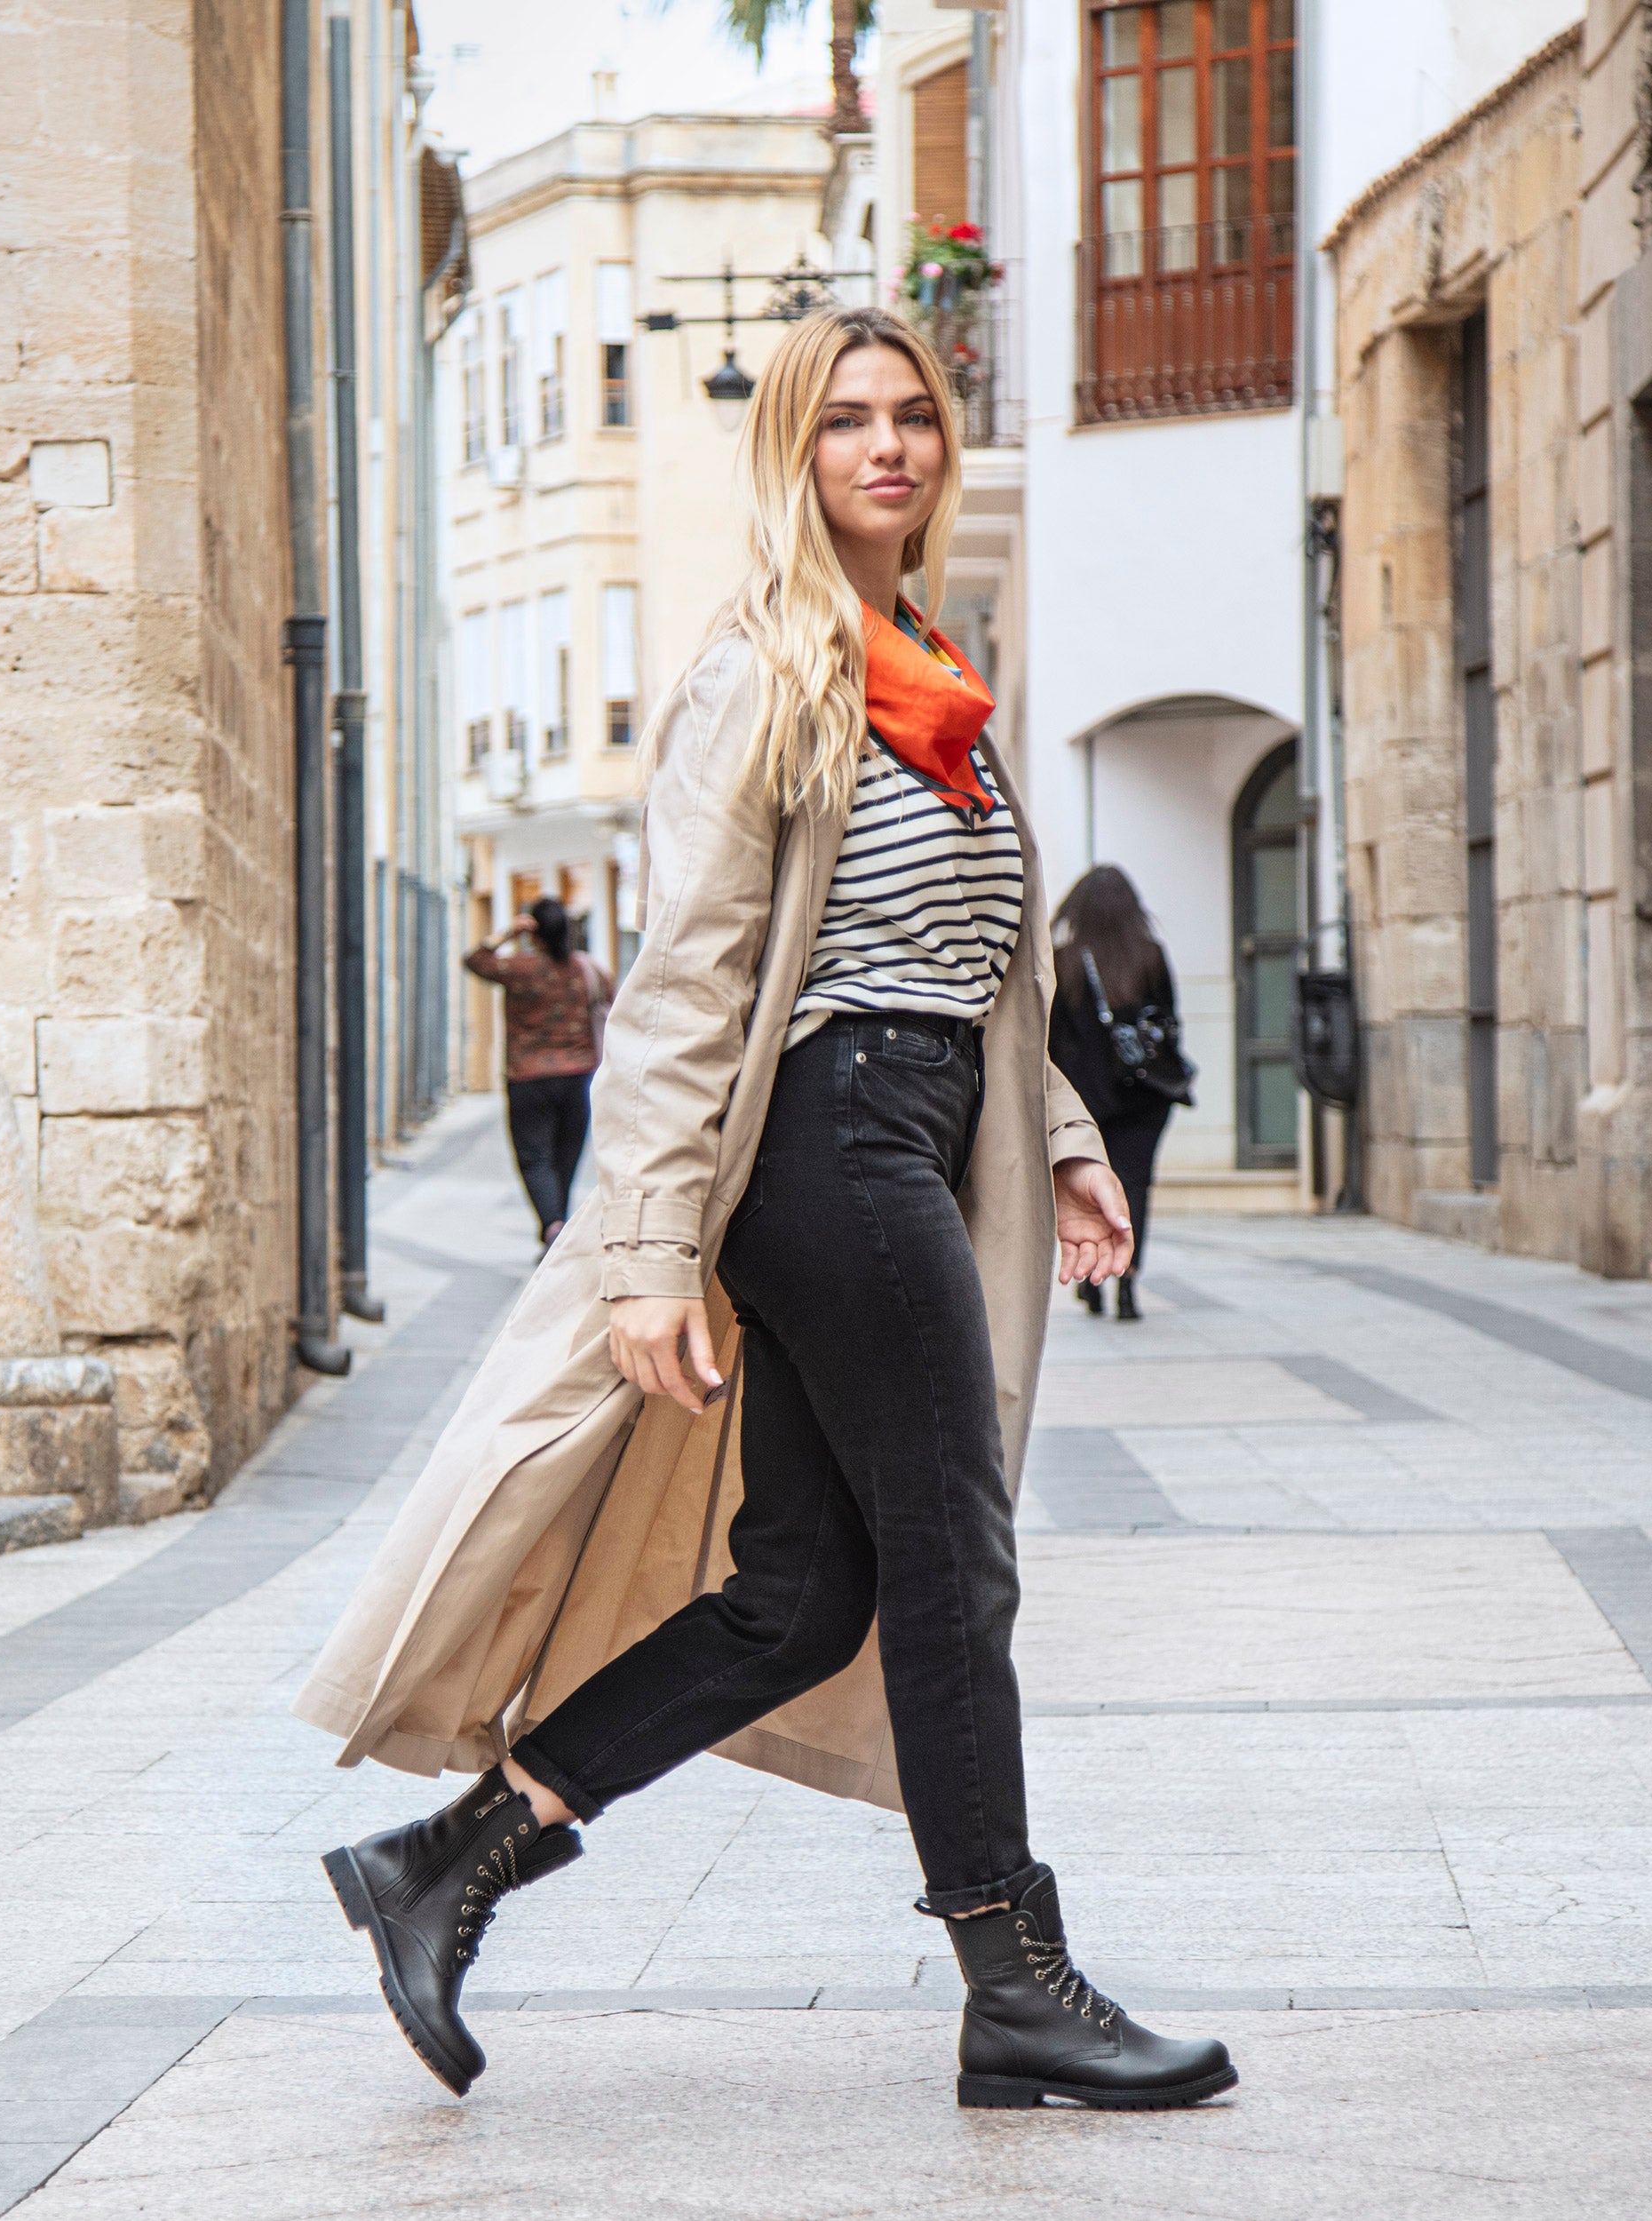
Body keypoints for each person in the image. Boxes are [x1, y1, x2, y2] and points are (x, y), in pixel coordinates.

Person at [301, 306, 1236, 2116]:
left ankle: (447, 1863)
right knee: (952, 1562)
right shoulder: (770, 672)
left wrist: (1052, 1127)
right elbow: (686, 982)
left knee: (805, 1590)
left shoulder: (936, 679)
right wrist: (650, 1249)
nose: (886, 446)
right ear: (792, 453)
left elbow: (973, 965)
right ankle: (1012, 1972)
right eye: (845, 422)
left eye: (912, 416)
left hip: (919, 1125)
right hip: (829, 1150)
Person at [1048, 866, 1181, 1322]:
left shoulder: (1062, 959)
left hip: (1084, 1100)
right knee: (1136, 1185)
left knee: (1087, 1183)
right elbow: (1169, 1024)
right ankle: (1127, 1284)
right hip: (1144, 1096)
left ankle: (1092, 1279)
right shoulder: (1150, 956)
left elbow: (1049, 1039)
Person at [464, 897, 615, 1247]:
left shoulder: (520, 969)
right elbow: (611, 996)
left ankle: (552, 1225)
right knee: (565, 1157)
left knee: (534, 1157)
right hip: (578, 1075)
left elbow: (475, 960)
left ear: (534, 932)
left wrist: (507, 933)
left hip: (528, 1077)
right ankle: (556, 1232)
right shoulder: (586, 970)